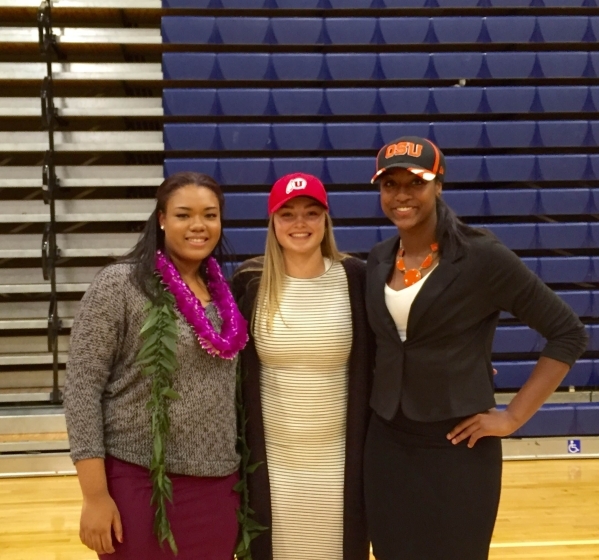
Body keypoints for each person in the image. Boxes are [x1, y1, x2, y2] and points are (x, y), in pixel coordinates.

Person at [364, 136, 588, 560]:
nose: (402, 195)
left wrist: (513, 417)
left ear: (439, 185)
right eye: (390, 184)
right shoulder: (377, 260)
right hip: (387, 446)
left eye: (416, 182)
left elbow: (568, 332)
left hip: (458, 450)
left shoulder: (481, 256)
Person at [64, 171, 247, 560]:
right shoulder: (120, 285)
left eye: (210, 215)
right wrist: (94, 496)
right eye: (184, 215)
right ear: (161, 218)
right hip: (139, 481)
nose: (198, 226)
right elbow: (81, 390)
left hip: (216, 484)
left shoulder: (224, 294)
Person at [231, 173, 373, 560]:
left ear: (326, 220)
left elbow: (398, 343)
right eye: (287, 214)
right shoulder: (249, 281)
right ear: (272, 222)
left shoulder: (357, 278)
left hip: (339, 462)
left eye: (311, 213)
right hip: (272, 463)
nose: (300, 224)